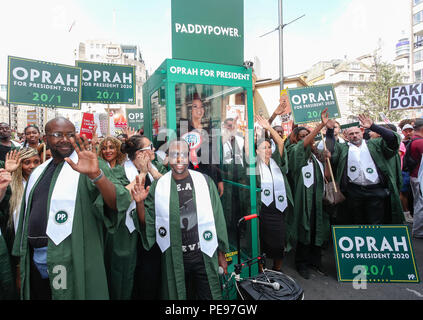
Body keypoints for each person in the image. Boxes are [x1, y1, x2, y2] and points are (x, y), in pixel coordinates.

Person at [12, 117, 131, 300]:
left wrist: (96, 175)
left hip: (71, 257)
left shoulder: (90, 165)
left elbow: (116, 203)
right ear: (46, 137)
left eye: (70, 134)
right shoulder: (38, 171)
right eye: (57, 134)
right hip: (36, 259)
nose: (65, 139)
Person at [131, 139, 229, 300]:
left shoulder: (205, 182)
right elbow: (147, 223)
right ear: (167, 158)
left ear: (189, 157)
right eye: (174, 155)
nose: (179, 160)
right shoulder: (159, 186)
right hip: (174, 257)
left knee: (210, 297)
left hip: (204, 253)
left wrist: (221, 254)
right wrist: (140, 203)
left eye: (183, 154)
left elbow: (217, 218)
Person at [104, 135, 166, 300]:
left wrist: (150, 169)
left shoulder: (157, 167)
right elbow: (119, 197)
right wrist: (143, 173)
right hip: (126, 235)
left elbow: (169, 188)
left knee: (151, 279)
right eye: (149, 147)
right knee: (126, 279)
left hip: (153, 235)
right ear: (139, 153)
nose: (153, 150)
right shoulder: (117, 172)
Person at [326, 115, 404, 226]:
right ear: (346, 136)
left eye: (357, 133)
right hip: (354, 191)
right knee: (358, 222)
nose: (354, 136)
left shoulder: (375, 144)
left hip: (375, 190)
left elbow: (392, 139)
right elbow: (329, 149)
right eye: (351, 134)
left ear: (362, 132)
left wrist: (373, 126)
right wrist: (329, 131)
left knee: (376, 222)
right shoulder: (343, 148)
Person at [286, 109, 331, 279]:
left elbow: (327, 177)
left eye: (308, 134)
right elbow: (302, 145)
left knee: (317, 229)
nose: (306, 137)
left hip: (317, 199)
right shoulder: (294, 151)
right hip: (303, 199)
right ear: (296, 138)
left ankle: (315, 261)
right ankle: (301, 263)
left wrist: (326, 160)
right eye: (302, 135)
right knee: (304, 228)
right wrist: (320, 125)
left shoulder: (315, 155)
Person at [251, 115, 294, 272]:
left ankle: (277, 269)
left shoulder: (277, 161)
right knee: (261, 240)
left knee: (279, 240)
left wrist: (269, 128)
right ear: (257, 151)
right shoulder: (253, 165)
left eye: (269, 147)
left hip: (279, 208)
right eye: (264, 148)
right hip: (263, 209)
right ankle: (261, 270)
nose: (268, 150)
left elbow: (281, 143)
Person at [179, 94, 224, 197]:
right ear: (190, 110)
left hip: (211, 177)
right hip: (194, 178)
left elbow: (214, 155)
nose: (199, 109)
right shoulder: (184, 130)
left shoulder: (208, 129)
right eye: (195, 106)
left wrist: (219, 179)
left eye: (201, 106)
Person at [408, 119, 423, 239]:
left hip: (415, 176)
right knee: (420, 204)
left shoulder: (414, 140)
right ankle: (418, 230)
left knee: (419, 203)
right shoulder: (420, 142)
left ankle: (417, 229)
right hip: (419, 177)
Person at [400, 123, 415, 223]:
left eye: (410, 130)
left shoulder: (417, 141)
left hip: (415, 172)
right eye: (406, 131)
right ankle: (407, 213)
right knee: (404, 192)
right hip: (404, 171)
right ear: (402, 132)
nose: (408, 132)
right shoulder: (400, 142)